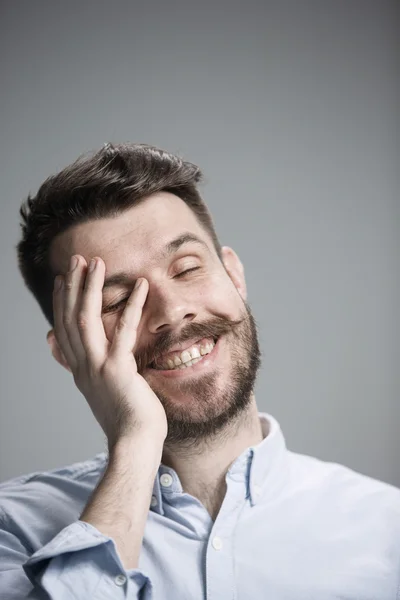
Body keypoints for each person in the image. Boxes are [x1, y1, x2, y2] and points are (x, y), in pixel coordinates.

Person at [0, 143, 399, 600]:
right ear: (69, 352)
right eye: (116, 302)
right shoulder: (11, 527)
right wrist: (134, 443)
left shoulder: (388, 532)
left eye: (187, 269)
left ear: (234, 275)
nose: (171, 312)